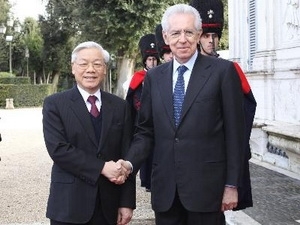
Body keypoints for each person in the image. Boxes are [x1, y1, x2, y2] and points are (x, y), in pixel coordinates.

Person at [120, 4, 246, 225]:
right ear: (166, 37)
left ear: (198, 34)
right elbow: (145, 131)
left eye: (189, 32)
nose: (182, 39)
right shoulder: (153, 78)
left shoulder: (223, 72)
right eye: (176, 33)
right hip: (166, 192)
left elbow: (236, 134)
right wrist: (129, 164)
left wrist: (232, 185)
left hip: (208, 191)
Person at [42, 41, 135, 225]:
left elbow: (127, 155)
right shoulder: (55, 104)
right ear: (73, 68)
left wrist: (126, 202)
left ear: (105, 69)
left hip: (108, 205)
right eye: (83, 64)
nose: (90, 69)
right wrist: (101, 167)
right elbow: (59, 150)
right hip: (69, 205)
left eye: (97, 64)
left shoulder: (120, 107)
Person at [189, 0, 257, 219]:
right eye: (206, 36)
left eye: (215, 36)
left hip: (219, 156)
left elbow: (245, 111)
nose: (211, 41)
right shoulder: (181, 72)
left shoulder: (230, 70)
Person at [126, 33, 160, 192]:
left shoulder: (163, 75)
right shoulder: (138, 78)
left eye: (154, 59)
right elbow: (134, 100)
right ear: (145, 61)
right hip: (143, 121)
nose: (152, 62)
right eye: (150, 59)